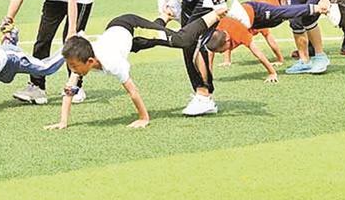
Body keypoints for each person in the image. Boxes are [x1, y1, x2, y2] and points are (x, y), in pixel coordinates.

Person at [45, 7, 228, 130]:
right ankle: (167, 14)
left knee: (182, 40)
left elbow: (133, 92)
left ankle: (216, 14)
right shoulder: (81, 60)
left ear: (90, 61)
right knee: (149, 41)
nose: (72, 70)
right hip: (119, 34)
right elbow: (69, 91)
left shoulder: (112, 62)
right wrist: (63, 122)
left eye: (74, 66)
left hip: (131, 26)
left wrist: (143, 118)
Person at [205, 0, 339, 81]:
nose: (221, 53)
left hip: (262, 9)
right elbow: (210, 52)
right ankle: (326, 2)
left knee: (289, 12)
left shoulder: (240, 33)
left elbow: (258, 53)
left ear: (227, 39)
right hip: (256, 16)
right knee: (296, 15)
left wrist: (272, 72)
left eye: (221, 51)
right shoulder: (218, 32)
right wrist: (208, 76)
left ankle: (326, 5)